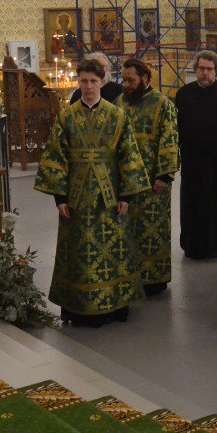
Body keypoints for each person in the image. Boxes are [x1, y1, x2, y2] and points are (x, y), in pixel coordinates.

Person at [36, 59, 150, 326]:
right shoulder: (67, 115)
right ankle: (76, 307)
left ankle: (116, 306)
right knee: (79, 250)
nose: (88, 86)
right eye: (83, 81)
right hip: (77, 197)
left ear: (102, 82)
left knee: (113, 249)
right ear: (79, 82)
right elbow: (55, 156)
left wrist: (126, 196)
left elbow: (129, 155)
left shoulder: (116, 115)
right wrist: (60, 199)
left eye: (93, 81)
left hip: (107, 195)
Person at [118, 58, 179, 295]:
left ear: (144, 78)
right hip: (126, 181)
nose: (127, 85)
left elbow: (170, 140)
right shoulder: (120, 103)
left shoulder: (163, 104)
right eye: (124, 80)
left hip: (154, 181)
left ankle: (155, 279)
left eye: (131, 80)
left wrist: (164, 175)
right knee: (129, 229)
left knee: (153, 230)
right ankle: (131, 275)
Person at [175, 51, 217, 260]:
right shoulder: (183, 94)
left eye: (209, 69)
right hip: (193, 160)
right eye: (201, 69)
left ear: (216, 71)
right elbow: (178, 129)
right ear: (195, 70)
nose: (205, 73)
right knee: (193, 203)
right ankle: (192, 244)